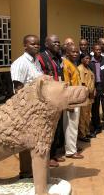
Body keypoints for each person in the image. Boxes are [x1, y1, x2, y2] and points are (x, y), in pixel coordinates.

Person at [10, 35, 42, 179]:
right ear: (25, 46)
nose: (36, 46)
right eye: (32, 44)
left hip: (37, 109)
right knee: (25, 142)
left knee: (35, 141)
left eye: (37, 44)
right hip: (27, 110)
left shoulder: (36, 62)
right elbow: (18, 90)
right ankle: (26, 173)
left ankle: (34, 170)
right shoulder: (20, 63)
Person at [37, 35, 65, 167]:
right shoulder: (41, 58)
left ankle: (53, 154)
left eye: (59, 42)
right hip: (48, 98)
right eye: (54, 42)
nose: (58, 44)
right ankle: (47, 157)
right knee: (48, 128)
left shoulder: (58, 57)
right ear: (47, 44)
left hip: (58, 96)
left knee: (56, 128)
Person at [62, 45, 84, 159]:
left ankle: (72, 146)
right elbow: (66, 85)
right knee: (71, 125)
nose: (75, 54)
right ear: (67, 53)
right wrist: (69, 103)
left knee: (73, 125)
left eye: (77, 52)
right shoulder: (66, 64)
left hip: (76, 98)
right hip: (71, 99)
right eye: (73, 52)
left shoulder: (73, 63)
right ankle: (70, 151)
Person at [90, 44, 104, 137]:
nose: (98, 51)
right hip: (95, 88)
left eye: (99, 50)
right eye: (96, 49)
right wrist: (92, 89)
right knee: (95, 110)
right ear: (93, 50)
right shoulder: (90, 62)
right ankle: (97, 128)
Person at [77, 53, 95, 142]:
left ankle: (87, 132)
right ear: (81, 59)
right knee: (83, 116)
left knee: (88, 115)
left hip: (90, 95)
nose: (88, 60)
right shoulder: (80, 68)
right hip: (85, 95)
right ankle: (82, 134)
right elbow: (83, 84)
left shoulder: (88, 68)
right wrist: (89, 93)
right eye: (86, 58)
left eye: (89, 58)